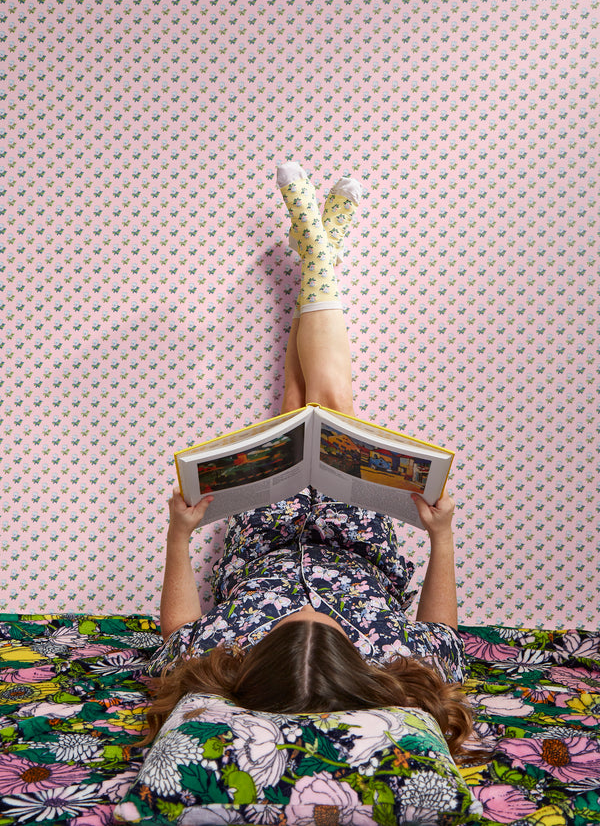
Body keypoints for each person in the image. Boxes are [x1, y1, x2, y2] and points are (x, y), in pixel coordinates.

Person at [141, 162, 473, 758]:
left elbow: (177, 634)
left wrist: (180, 532)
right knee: (334, 408)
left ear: (264, 651)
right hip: (357, 536)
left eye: (287, 623)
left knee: (293, 411)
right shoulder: (396, 662)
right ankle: (321, 256)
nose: (303, 608)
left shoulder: (229, 654)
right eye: (327, 625)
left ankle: (320, 255)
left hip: (262, 533)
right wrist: (441, 534)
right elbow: (443, 631)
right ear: (352, 655)